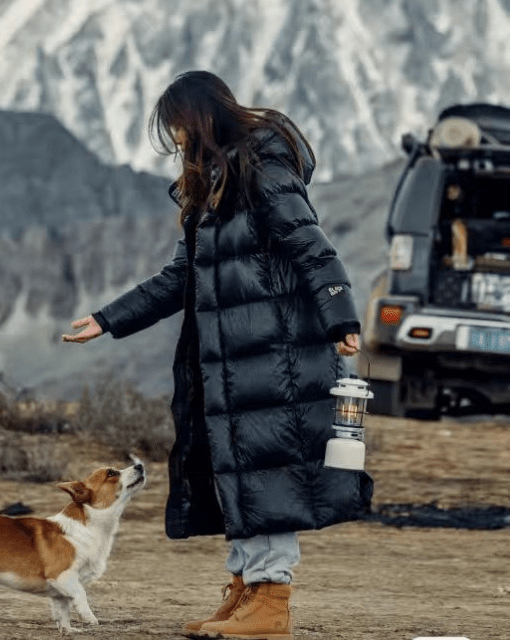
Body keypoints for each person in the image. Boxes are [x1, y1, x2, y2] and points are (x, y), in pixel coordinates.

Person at [63, 71, 373, 640]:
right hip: (230, 364)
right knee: (239, 478)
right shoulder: (214, 186)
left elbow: (311, 245)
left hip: (274, 359)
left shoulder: (262, 170)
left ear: (202, 117)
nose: (176, 139)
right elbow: (181, 277)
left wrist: (340, 316)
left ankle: (271, 600)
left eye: (178, 126)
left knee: (268, 477)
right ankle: (248, 589)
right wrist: (108, 319)